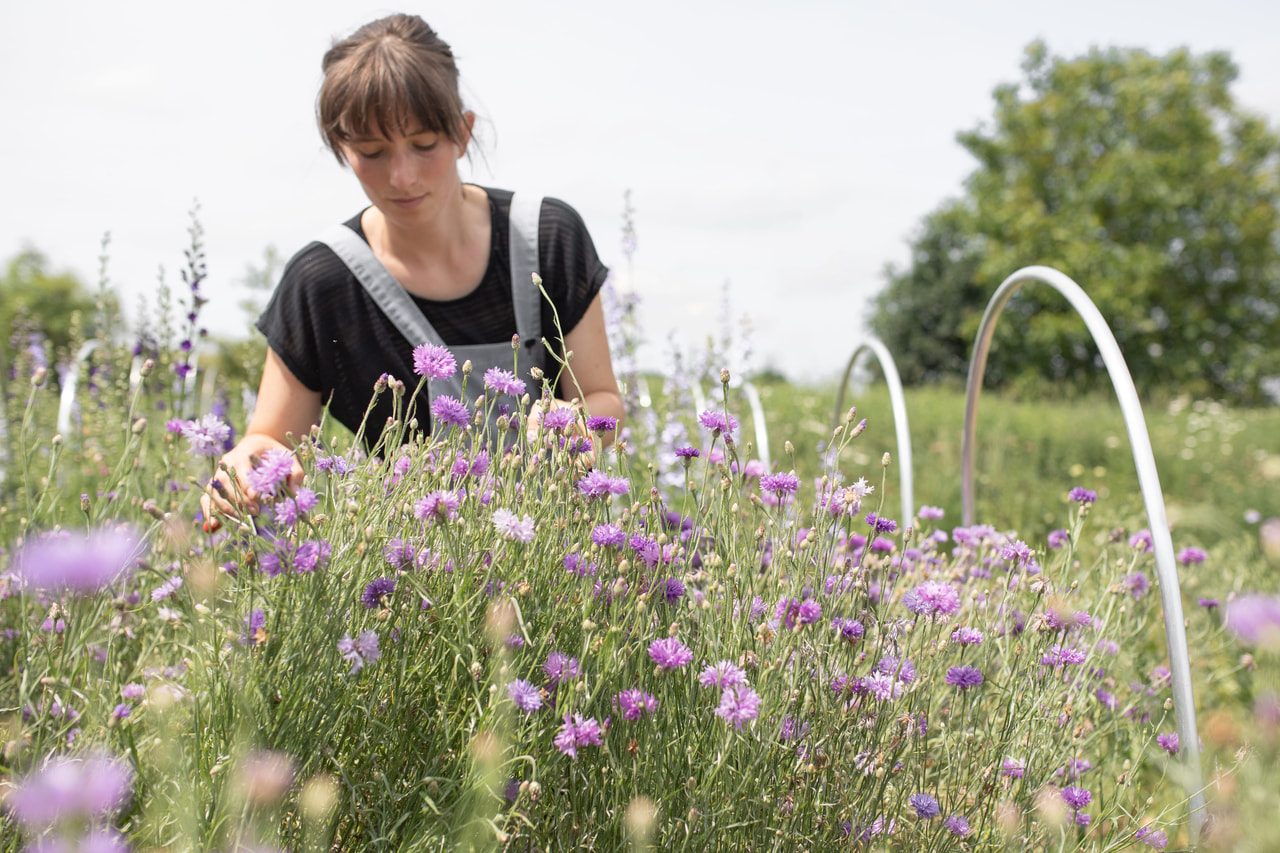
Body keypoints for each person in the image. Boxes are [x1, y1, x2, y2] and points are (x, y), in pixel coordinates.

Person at [202, 13, 622, 530]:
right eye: (372, 152)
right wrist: (243, 470)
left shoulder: (546, 238)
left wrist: (577, 423)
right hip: (407, 576)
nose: (402, 176)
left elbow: (604, 401)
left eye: (425, 144)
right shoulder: (323, 282)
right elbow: (269, 437)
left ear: (463, 133)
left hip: (562, 563)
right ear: (340, 148)